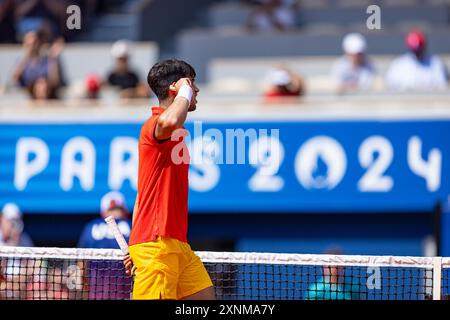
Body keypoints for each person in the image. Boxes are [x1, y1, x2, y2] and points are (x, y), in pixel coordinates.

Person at [123, 59, 215, 300]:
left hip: (177, 245)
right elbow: (171, 119)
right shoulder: (156, 124)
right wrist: (184, 90)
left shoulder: (174, 133)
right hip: (157, 246)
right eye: (191, 83)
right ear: (176, 87)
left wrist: (134, 241)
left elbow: (143, 194)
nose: (196, 90)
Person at [12, 30, 65, 99]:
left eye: (34, 43)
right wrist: (27, 57)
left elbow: (55, 81)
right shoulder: (22, 62)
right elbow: (15, 79)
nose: (32, 46)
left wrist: (54, 58)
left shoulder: (48, 60)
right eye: (29, 44)